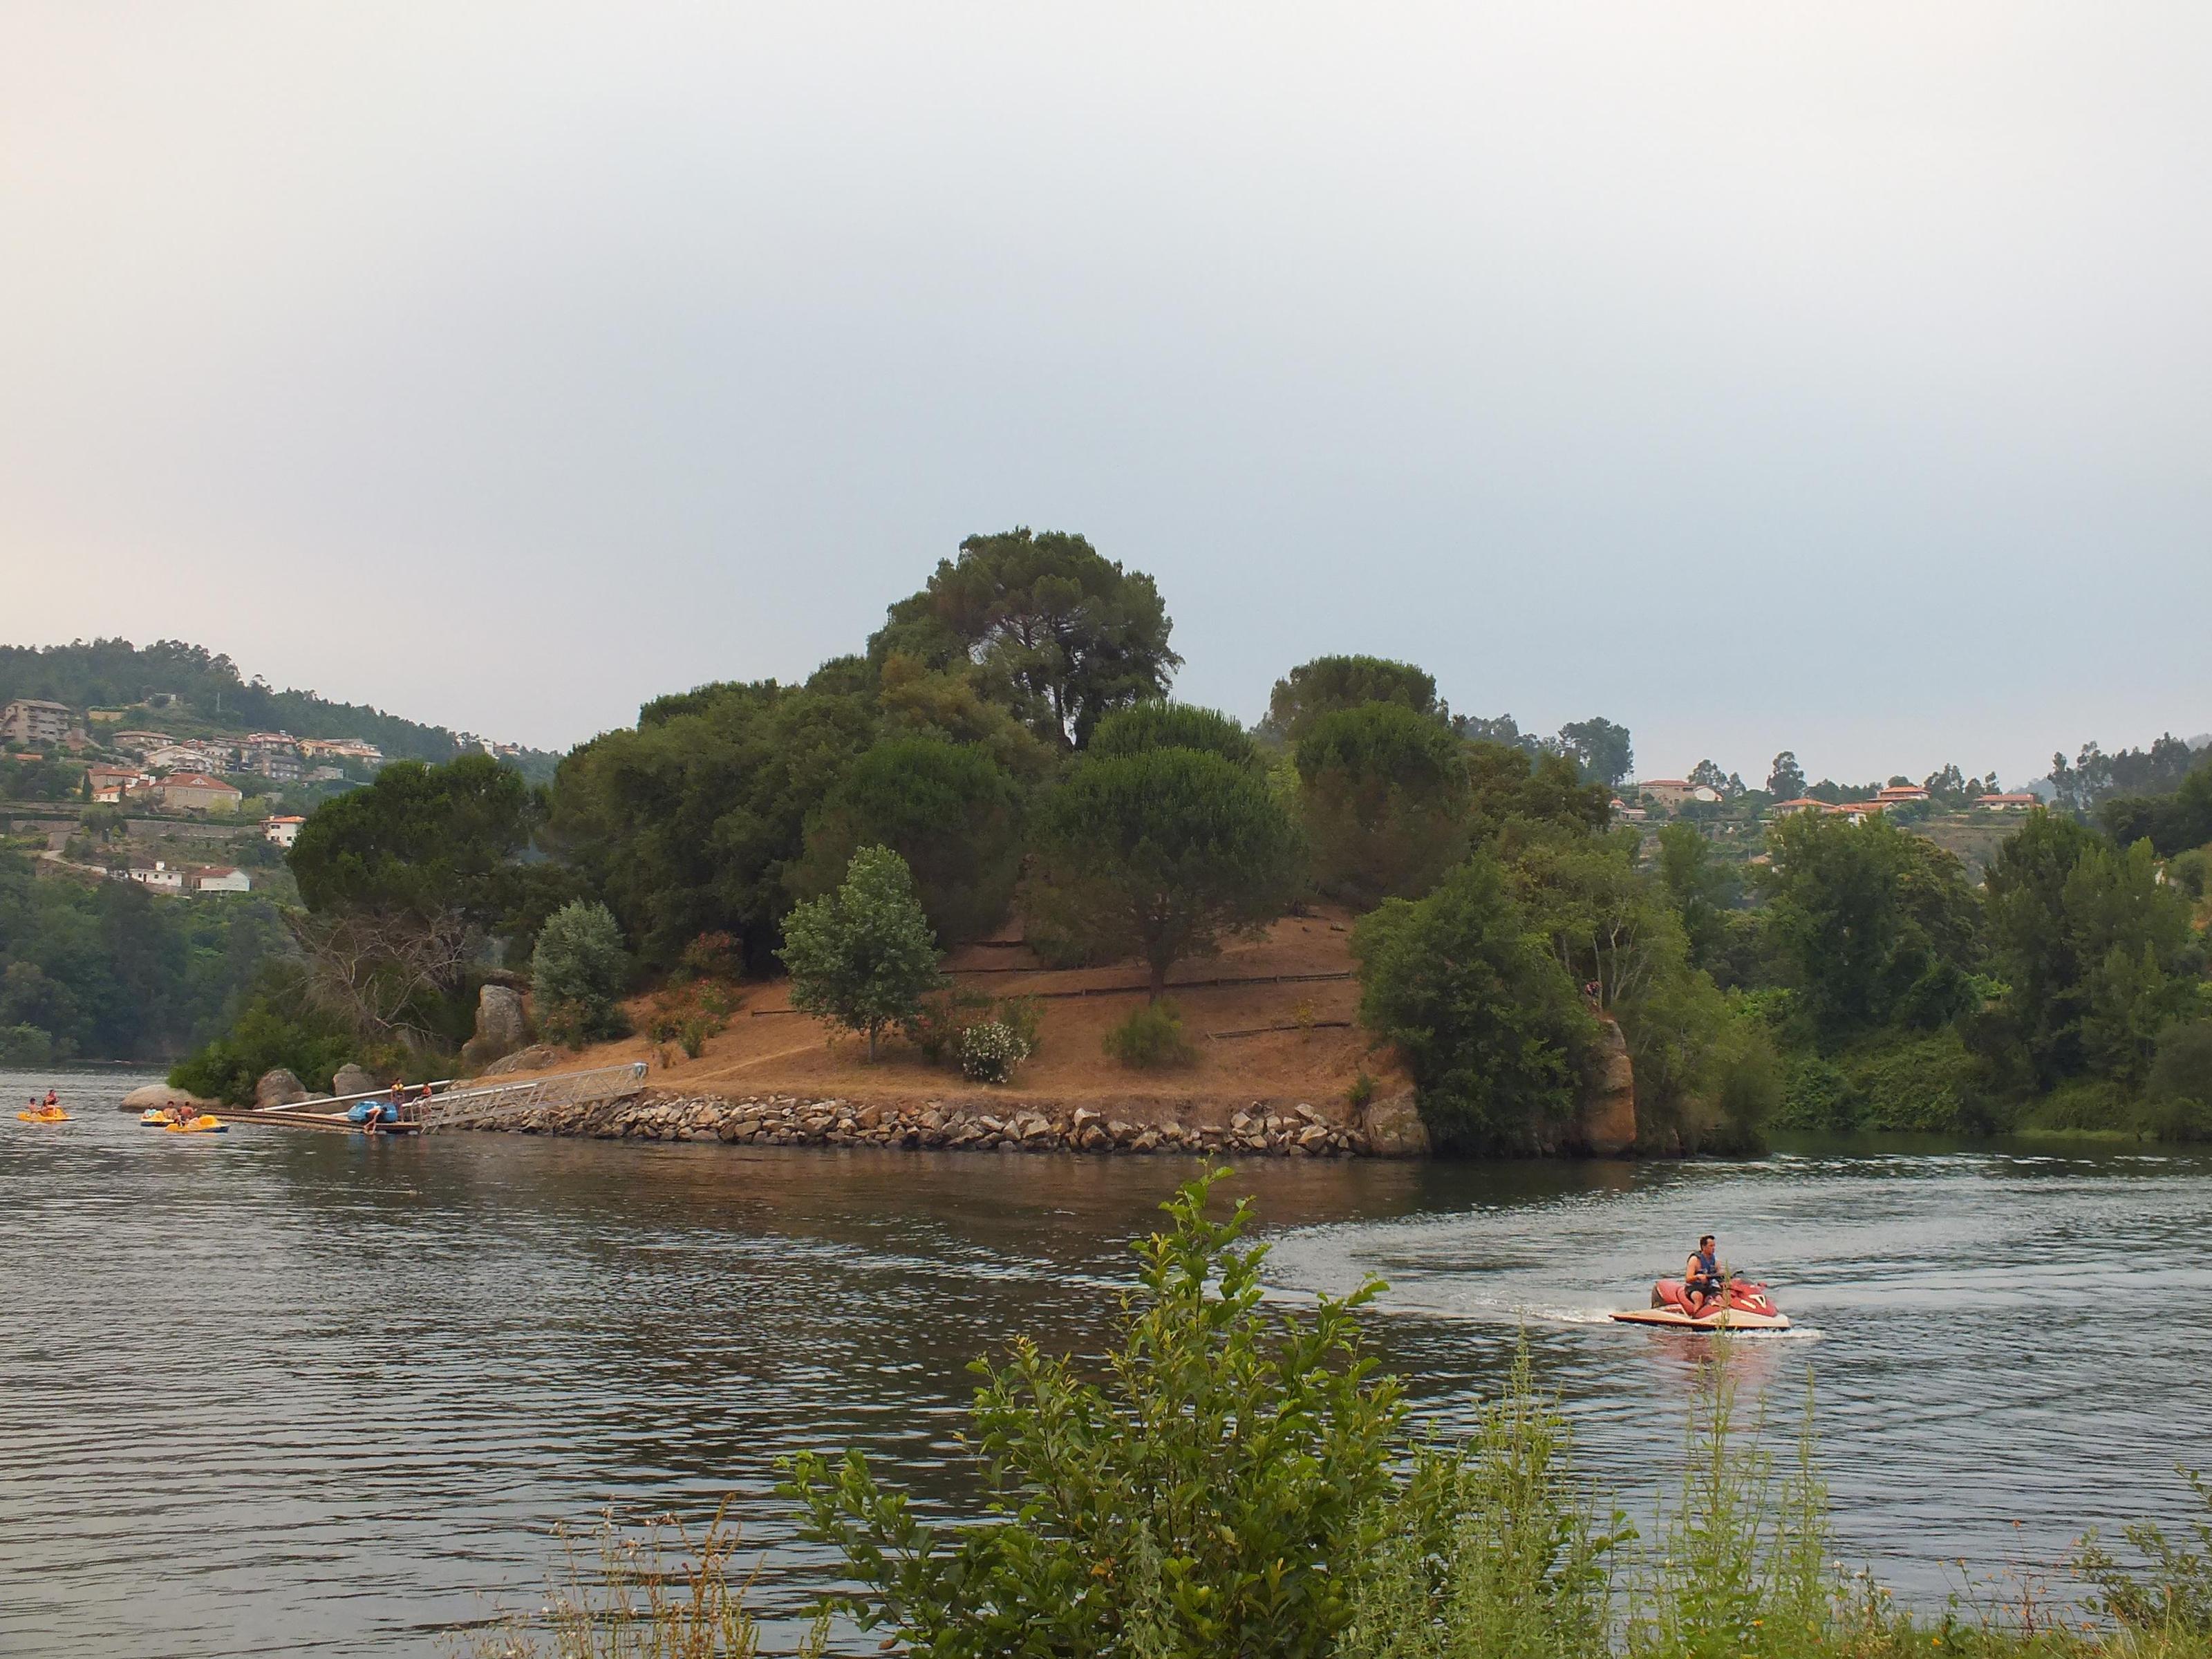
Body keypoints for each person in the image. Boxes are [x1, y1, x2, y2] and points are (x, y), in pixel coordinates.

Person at [1684, 1235, 1725, 1313]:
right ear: (1703, 1247)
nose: (1713, 1248)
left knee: (1721, 1298)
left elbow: (1719, 1277)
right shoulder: (1695, 1260)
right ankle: (1696, 1317)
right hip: (1694, 1288)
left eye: (1714, 1246)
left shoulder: (1716, 1261)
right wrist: (1698, 1277)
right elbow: (1688, 1279)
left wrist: (1724, 1283)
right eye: (1711, 1246)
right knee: (1698, 1297)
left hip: (1708, 1287)